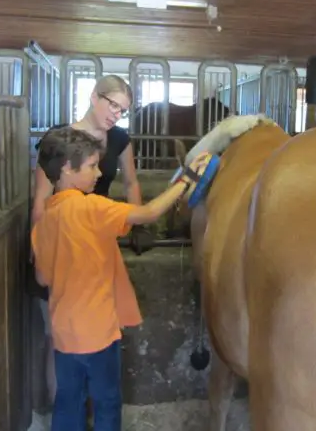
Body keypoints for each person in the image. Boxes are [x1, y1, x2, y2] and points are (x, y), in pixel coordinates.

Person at [31, 126, 211, 431]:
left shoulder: (44, 221)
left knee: (68, 400)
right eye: (91, 166)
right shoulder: (93, 207)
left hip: (65, 333)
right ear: (66, 169)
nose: (99, 173)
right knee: (107, 401)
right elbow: (150, 212)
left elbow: (42, 277)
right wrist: (187, 180)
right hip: (99, 331)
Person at [30, 74, 149, 411]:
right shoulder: (58, 140)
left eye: (123, 110)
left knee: (100, 329)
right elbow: (40, 200)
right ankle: (65, 409)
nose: (116, 114)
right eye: (113, 105)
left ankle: (90, 411)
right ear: (93, 97)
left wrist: (136, 221)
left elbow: (131, 181)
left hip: (98, 246)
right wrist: (41, 253)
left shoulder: (121, 140)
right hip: (63, 242)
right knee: (60, 336)